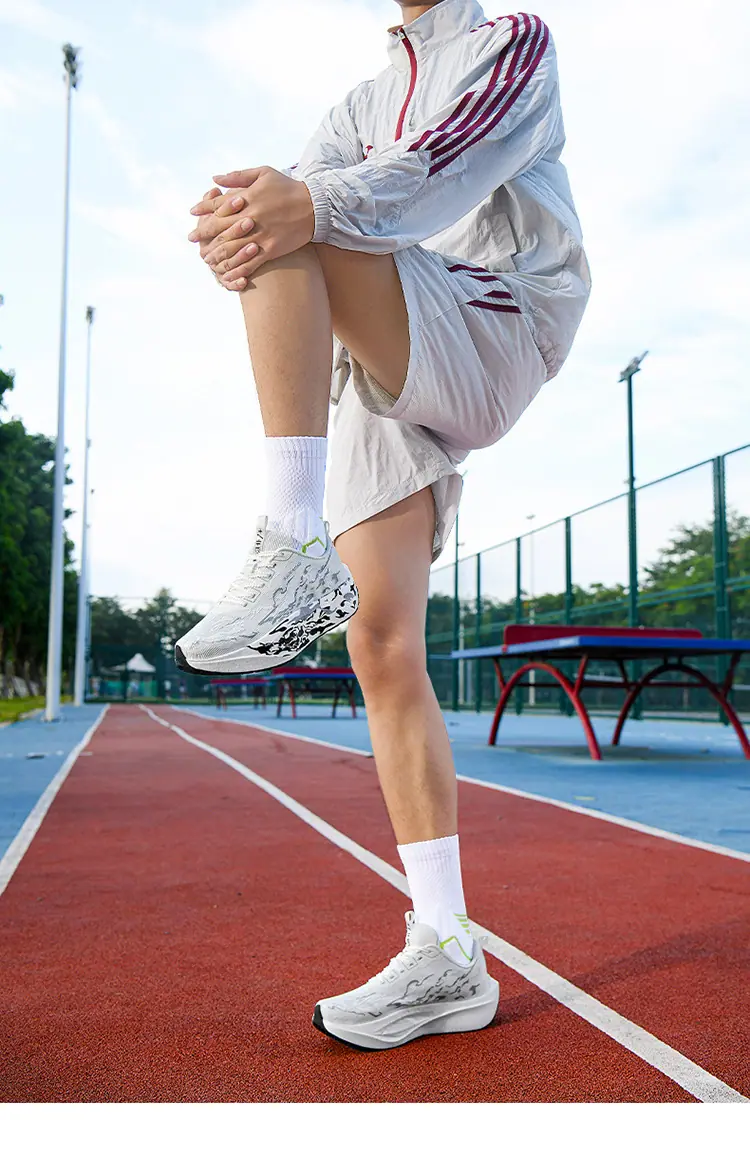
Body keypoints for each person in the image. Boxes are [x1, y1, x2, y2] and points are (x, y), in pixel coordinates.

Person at [178, 0, 590, 1050]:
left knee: (297, 215)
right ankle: (447, 952)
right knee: (382, 644)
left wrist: (293, 210)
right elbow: (286, 219)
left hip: (495, 318)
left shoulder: (510, 43)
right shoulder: (358, 105)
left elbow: (442, 169)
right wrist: (240, 231)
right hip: (386, 349)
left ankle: (290, 538)